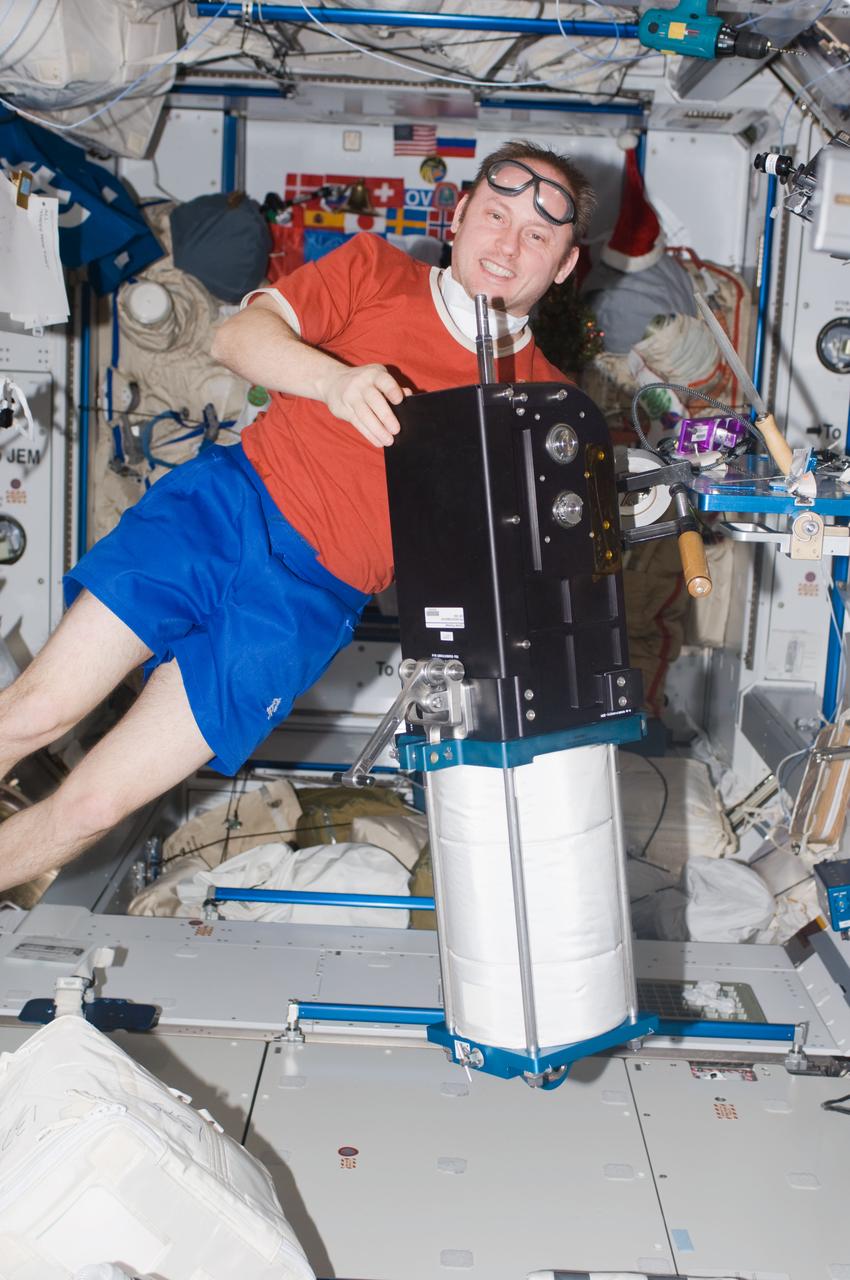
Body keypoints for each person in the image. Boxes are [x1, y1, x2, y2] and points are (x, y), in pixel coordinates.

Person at [0, 139, 594, 892]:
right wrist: (334, 383)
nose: (509, 245)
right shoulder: (377, 270)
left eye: (538, 235)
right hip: (223, 511)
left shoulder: (546, 406)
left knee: (93, 806)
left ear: (564, 265)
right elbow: (235, 336)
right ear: (459, 215)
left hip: (303, 604)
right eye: (496, 215)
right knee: (34, 713)